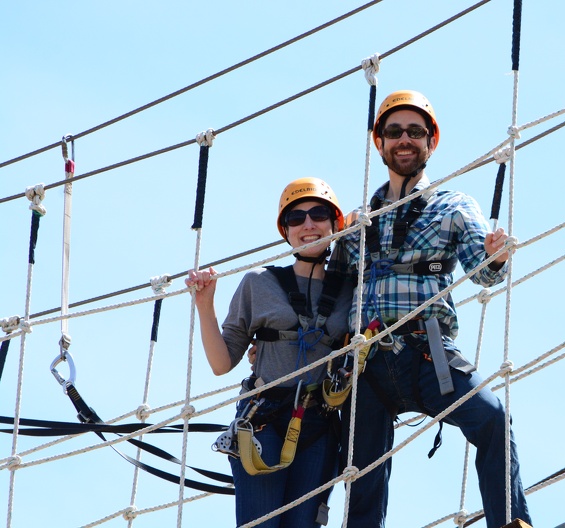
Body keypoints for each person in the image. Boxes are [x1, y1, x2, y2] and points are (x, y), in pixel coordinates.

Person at [329, 90, 532, 528]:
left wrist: (495, 257)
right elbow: (331, 294)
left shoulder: (454, 207)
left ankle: (509, 524)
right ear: (378, 142)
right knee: (361, 477)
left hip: (428, 355)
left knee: (493, 420)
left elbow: (483, 270)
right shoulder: (356, 224)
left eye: (415, 132)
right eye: (394, 132)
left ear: (431, 141)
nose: (405, 140)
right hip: (366, 366)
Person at [186, 177, 352, 528]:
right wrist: (205, 305)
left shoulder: (353, 289)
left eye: (319, 214)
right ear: (286, 231)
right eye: (296, 218)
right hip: (263, 419)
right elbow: (221, 363)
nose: (308, 224)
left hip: (319, 424)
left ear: (335, 223)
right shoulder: (258, 283)